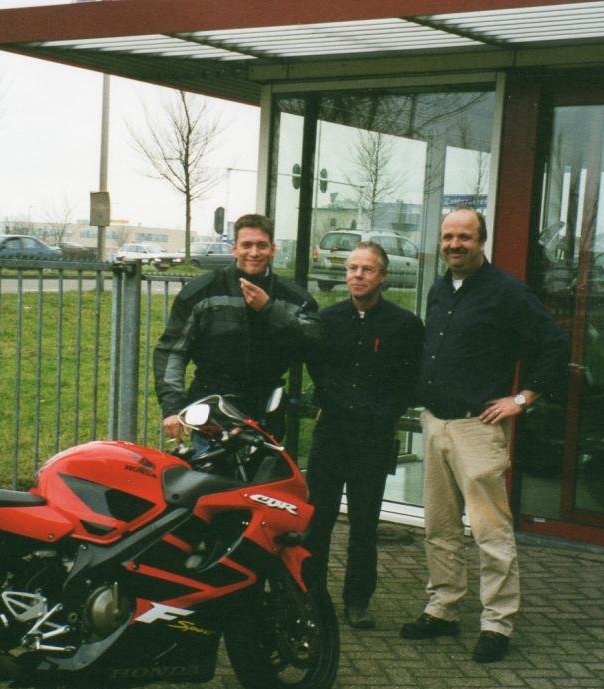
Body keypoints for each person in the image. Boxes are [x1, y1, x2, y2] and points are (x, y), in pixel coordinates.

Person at [401, 208, 568, 663]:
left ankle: (497, 624)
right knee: (439, 527)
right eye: (448, 237)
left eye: (465, 237)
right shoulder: (440, 288)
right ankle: (442, 608)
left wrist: (522, 399)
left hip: (478, 428)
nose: (455, 245)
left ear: (482, 241)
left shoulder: (507, 293)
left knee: (490, 532)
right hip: (436, 423)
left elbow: (554, 344)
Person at [304, 241, 423, 629]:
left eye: (367, 269)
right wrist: (339, 403)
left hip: (373, 438)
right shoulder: (328, 320)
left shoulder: (404, 325)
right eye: (352, 268)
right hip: (331, 433)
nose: (357, 275)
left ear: (382, 276)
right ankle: (311, 598)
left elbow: (409, 380)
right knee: (317, 522)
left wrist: (381, 412)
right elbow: (318, 370)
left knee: (364, 524)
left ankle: (357, 602)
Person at [154, 213, 319, 441]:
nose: (254, 252)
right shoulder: (202, 291)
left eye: (262, 245)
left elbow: (313, 343)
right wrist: (172, 408)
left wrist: (270, 309)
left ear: (272, 249)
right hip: (211, 411)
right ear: (234, 249)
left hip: (266, 411)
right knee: (210, 465)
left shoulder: (294, 297)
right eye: (246, 245)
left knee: (264, 466)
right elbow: (173, 351)